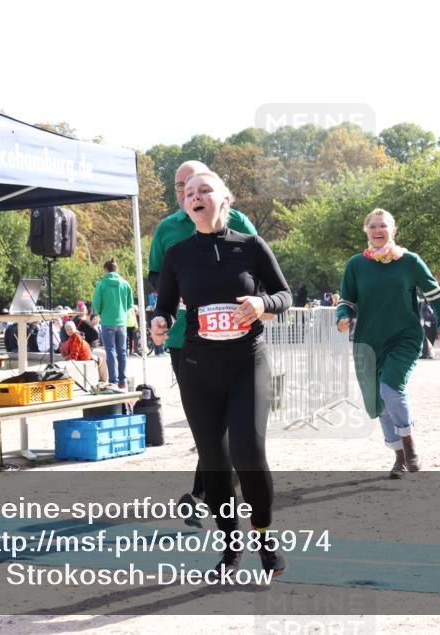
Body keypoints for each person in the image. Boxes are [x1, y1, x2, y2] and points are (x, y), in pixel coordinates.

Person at [151, 170, 291, 577]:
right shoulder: (177, 254)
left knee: (248, 454)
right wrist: (160, 321)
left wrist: (263, 304)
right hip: (199, 369)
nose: (195, 196)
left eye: (205, 190)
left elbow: (284, 294)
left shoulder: (250, 246)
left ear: (224, 200)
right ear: (185, 205)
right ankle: (231, 548)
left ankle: (264, 537)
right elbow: (166, 306)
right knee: (214, 462)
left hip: (248, 363)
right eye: (189, 193)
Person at [148, 160, 260, 514]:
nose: (186, 191)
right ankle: (213, 488)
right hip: (184, 338)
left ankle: (205, 492)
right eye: (180, 186)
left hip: (235, 339)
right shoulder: (167, 229)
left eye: (195, 184)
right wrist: (172, 298)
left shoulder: (238, 220)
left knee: (229, 421)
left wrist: (255, 302)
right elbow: (156, 275)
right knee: (206, 422)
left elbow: (259, 270)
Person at [336, 208, 440, 479]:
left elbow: (435, 294)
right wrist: (343, 317)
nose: (378, 230)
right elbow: (346, 299)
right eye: (373, 226)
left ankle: (408, 443)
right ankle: (398, 456)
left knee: (390, 388)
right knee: (379, 400)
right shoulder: (356, 264)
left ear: (393, 230)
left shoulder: (409, 261)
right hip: (369, 341)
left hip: (404, 337)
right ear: (366, 231)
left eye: (383, 225)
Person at [93, 258, 134, 392]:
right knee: (122, 351)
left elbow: (96, 304)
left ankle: (113, 381)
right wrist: (122, 312)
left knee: (110, 351)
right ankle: (123, 381)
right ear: (116, 269)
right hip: (121, 322)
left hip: (107, 322)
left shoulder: (101, 284)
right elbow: (130, 304)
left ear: (106, 269)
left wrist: (101, 312)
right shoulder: (125, 284)